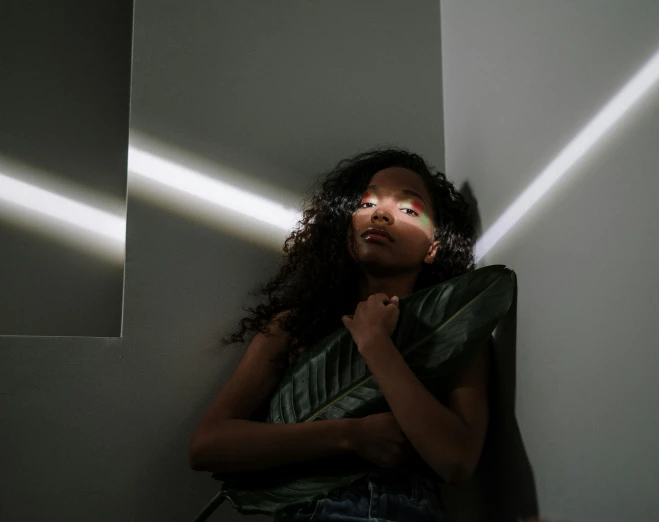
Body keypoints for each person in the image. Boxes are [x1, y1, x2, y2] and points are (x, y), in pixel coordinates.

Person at [189, 148, 493, 521]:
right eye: (367, 202)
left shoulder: (456, 331)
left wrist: (376, 345)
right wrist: (352, 434)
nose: (380, 214)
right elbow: (208, 445)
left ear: (433, 247)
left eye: (409, 210)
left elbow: (456, 461)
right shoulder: (293, 326)